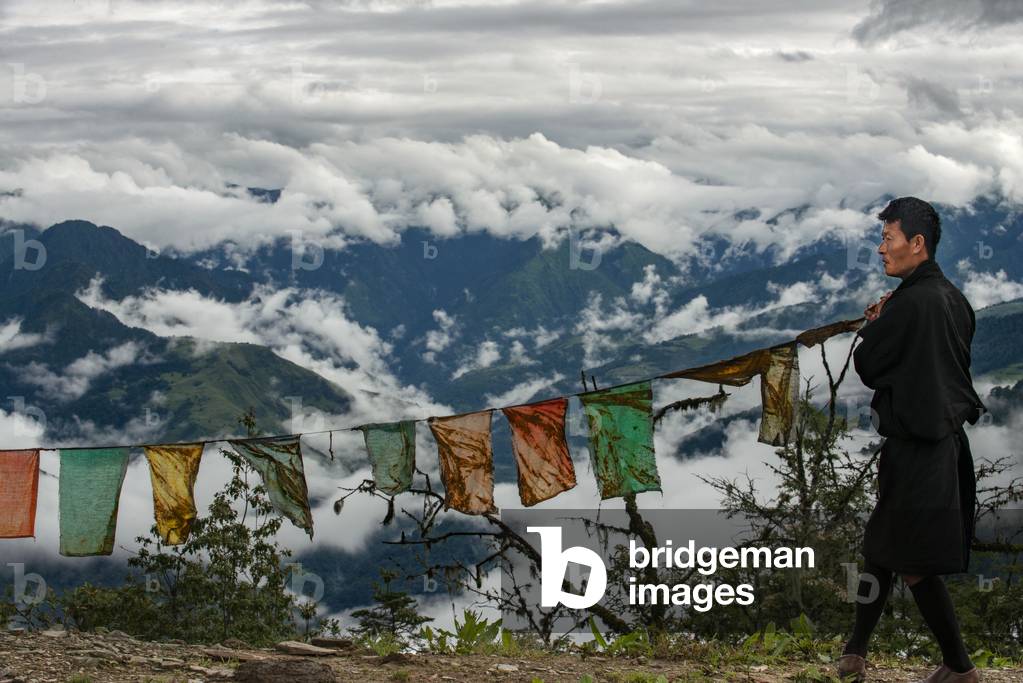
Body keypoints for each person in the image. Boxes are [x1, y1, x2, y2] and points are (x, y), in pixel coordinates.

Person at [836, 197, 988, 683]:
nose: (881, 249)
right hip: (940, 444)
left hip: (920, 446)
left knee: (915, 562)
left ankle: (960, 668)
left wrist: (878, 325)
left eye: (888, 238)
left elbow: (870, 365)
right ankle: (854, 652)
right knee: (881, 546)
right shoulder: (953, 298)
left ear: (916, 244)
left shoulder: (908, 304)